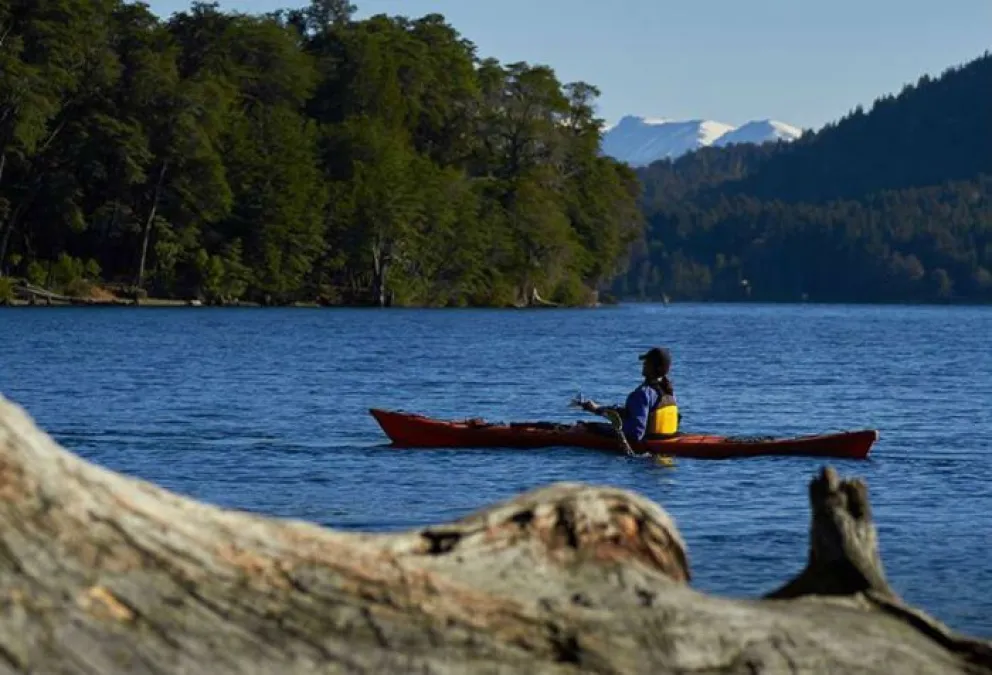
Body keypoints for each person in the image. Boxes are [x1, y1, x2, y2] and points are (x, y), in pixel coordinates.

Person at [576, 347, 680, 443]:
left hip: (647, 451)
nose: (644, 364)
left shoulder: (642, 394)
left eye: (647, 362)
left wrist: (596, 428)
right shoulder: (670, 393)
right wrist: (597, 408)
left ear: (656, 368)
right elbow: (632, 414)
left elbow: (635, 434)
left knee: (592, 427)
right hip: (668, 442)